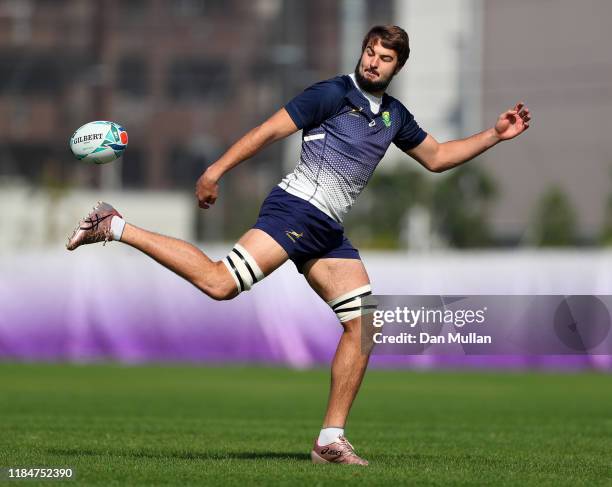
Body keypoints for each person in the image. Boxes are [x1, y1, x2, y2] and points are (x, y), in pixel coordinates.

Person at [67, 25, 531, 465]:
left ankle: (330, 441)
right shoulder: (331, 93)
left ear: (397, 67)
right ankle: (115, 225)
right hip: (296, 209)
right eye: (370, 51)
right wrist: (215, 171)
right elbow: (269, 130)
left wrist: (495, 134)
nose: (374, 61)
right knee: (220, 283)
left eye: (385, 58)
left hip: (326, 228)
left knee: (364, 324)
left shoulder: (394, 116)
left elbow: (437, 157)